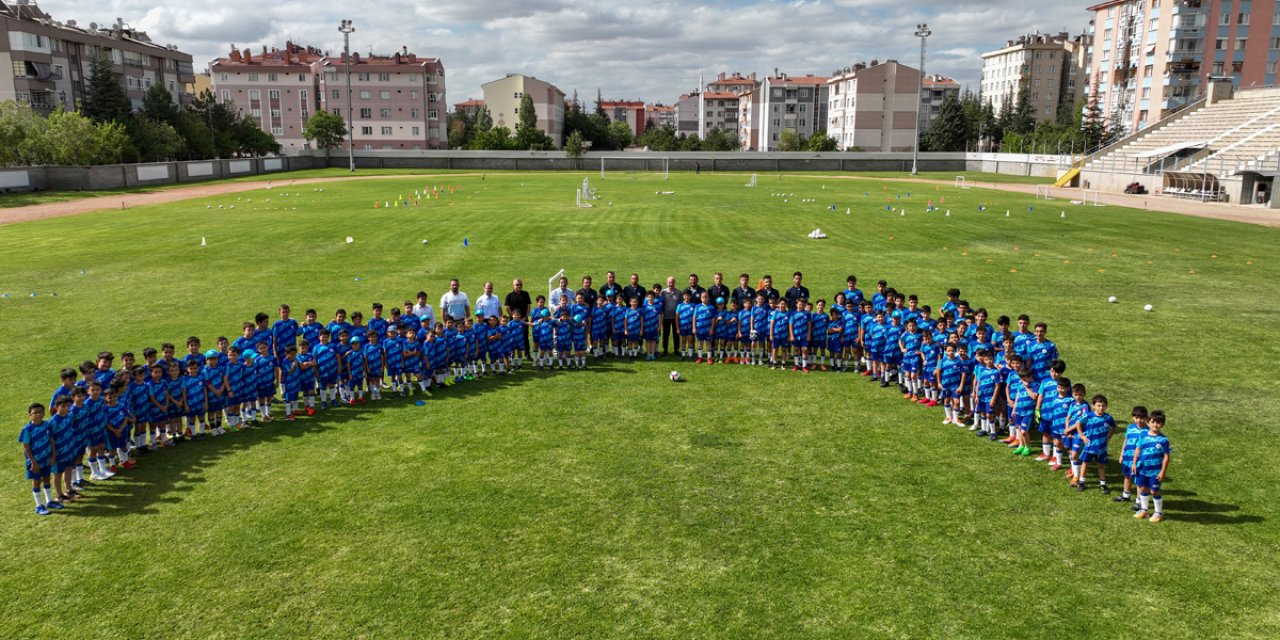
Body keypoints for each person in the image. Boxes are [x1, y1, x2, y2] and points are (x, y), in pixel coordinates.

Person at [20, 402, 60, 515]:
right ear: (29, 415)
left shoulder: (46, 425)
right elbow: (26, 447)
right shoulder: (27, 429)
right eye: (35, 413)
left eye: (40, 412)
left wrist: (53, 455)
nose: (38, 415)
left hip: (46, 459)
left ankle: (49, 501)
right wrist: (33, 462)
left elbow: (51, 440)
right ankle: (39, 505)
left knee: (47, 479)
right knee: (37, 481)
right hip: (35, 462)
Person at [1132, 410, 1171, 523]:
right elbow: (1138, 449)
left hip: (1155, 472)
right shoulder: (1143, 435)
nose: (1155, 425)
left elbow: (1166, 457)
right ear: (1148, 423)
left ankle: (1158, 512)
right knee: (1143, 488)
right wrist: (1134, 463)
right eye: (1153, 422)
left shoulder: (1164, 440)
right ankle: (1144, 510)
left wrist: (1162, 472)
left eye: (1158, 423)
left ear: (1162, 424)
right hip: (1142, 469)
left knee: (1154, 491)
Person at [1074, 394, 1116, 493]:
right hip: (1089, 446)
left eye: (1103, 406)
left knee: (1101, 465)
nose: (1101, 408)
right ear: (1093, 406)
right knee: (1085, 463)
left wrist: (1108, 437)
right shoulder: (1088, 416)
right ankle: (1082, 482)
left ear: (1106, 406)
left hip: (1101, 447)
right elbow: (1078, 423)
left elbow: (1113, 426)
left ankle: (1103, 484)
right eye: (1098, 405)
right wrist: (1082, 436)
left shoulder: (1108, 418)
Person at [1116, 406, 1150, 507]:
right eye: (1136, 417)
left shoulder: (1148, 431)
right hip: (1127, 457)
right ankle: (1126, 495)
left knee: (1139, 481)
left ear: (1145, 418)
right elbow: (1126, 441)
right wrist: (1122, 454)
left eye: (1141, 418)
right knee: (1127, 476)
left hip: (1139, 460)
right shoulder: (1130, 427)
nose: (1138, 420)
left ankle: (1139, 501)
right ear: (1133, 417)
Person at [660, 277, 681, 356]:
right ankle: (665, 350)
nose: (671, 284)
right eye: (669, 282)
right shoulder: (663, 292)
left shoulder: (679, 292)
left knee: (676, 334)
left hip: (675, 317)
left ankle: (676, 349)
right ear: (666, 282)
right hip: (665, 317)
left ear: (674, 282)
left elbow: (681, 304)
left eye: (672, 282)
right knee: (665, 334)